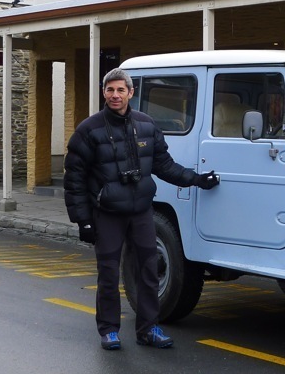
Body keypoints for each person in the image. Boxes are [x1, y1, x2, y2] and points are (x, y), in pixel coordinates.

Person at [64, 68, 220, 350]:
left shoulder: (146, 125)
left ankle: (149, 329)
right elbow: (74, 179)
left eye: (120, 90)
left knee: (149, 271)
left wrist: (197, 180)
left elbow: (164, 165)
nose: (115, 95)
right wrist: (83, 221)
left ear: (131, 93)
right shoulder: (88, 130)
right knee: (109, 274)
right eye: (110, 90)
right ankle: (109, 330)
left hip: (141, 212)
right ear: (104, 92)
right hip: (107, 213)